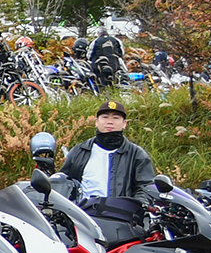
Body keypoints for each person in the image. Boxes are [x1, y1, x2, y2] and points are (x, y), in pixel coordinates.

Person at [60, 99, 156, 238]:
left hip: (120, 220)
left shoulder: (137, 154)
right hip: (82, 218)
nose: (109, 122)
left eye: (116, 118)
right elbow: (65, 181)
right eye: (105, 117)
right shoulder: (80, 150)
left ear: (124, 124)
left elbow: (146, 188)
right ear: (96, 122)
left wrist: (132, 210)